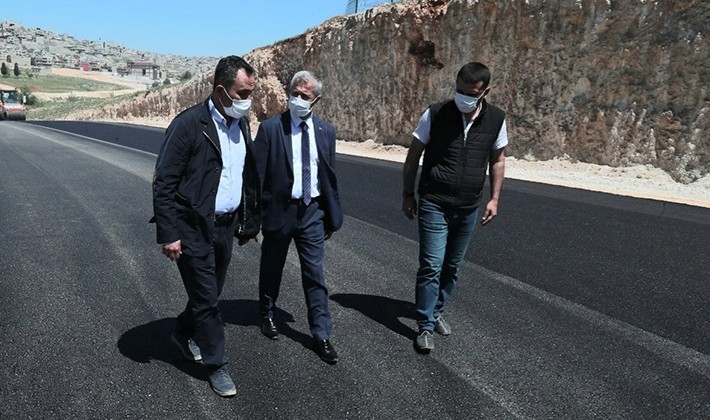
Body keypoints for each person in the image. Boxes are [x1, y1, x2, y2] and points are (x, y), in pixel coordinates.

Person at [151, 55, 261, 397]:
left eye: (250, 93)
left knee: (209, 294)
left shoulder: (240, 124)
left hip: (225, 226)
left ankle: (182, 331)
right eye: (242, 93)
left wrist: (248, 219)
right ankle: (217, 365)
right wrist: (169, 234)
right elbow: (164, 182)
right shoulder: (188, 125)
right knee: (208, 301)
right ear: (221, 90)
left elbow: (244, 177)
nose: (247, 101)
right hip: (192, 226)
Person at [402, 61, 508, 353]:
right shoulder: (436, 114)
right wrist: (408, 194)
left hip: (468, 206)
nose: (463, 98)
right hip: (434, 202)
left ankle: (437, 311)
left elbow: (498, 160)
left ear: (485, 92)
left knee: (452, 265)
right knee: (431, 265)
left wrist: (495, 198)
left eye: (471, 94)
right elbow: (413, 156)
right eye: (459, 91)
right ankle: (424, 325)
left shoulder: (496, 119)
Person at [254, 70, 343, 364]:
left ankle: (321, 335)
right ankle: (267, 314)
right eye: (294, 94)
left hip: (312, 212)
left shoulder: (326, 132)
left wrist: (330, 215)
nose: (298, 99)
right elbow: (257, 177)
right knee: (272, 267)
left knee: (315, 274)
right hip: (280, 211)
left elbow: (328, 176)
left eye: (305, 96)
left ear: (316, 99)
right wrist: (255, 217)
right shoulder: (270, 129)